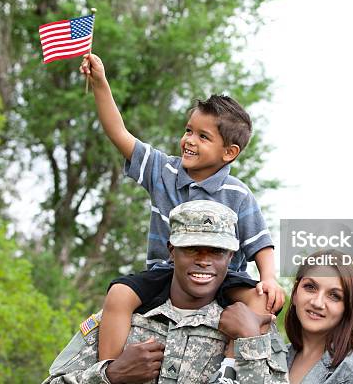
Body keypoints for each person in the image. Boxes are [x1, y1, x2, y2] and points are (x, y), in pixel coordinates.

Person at [79, 53, 285, 362]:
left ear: (229, 152)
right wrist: (100, 84)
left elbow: (260, 242)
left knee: (259, 301)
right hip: (167, 273)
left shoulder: (238, 194)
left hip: (223, 278)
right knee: (119, 294)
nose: (189, 140)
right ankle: (108, 370)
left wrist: (268, 277)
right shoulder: (163, 171)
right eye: (189, 130)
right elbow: (118, 133)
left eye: (203, 136)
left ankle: (229, 369)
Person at [42, 200, 289, 384]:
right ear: (172, 250)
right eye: (192, 248)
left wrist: (249, 344)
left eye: (217, 251)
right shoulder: (130, 317)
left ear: (231, 257)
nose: (204, 260)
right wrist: (111, 374)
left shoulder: (250, 326)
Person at [284, 250, 353, 384]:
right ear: (295, 294)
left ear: (349, 308)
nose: (317, 303)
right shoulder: (273, 357)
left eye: (334, 296)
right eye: (310, 287)